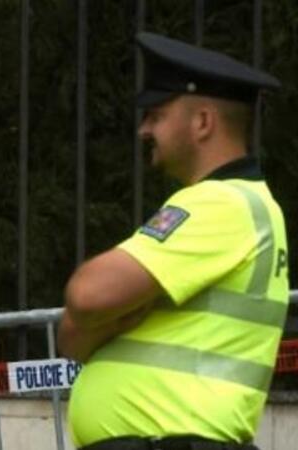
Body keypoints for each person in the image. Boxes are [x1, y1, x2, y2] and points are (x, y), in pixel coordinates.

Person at [58, 32, 289, 450]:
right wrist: (109, 314)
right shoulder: (239, 205)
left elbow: (86, 295)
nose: (144, 129)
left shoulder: (222, 205)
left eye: (157, 115)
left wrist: (109, 316)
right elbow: (71, 339)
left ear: (202, 122)